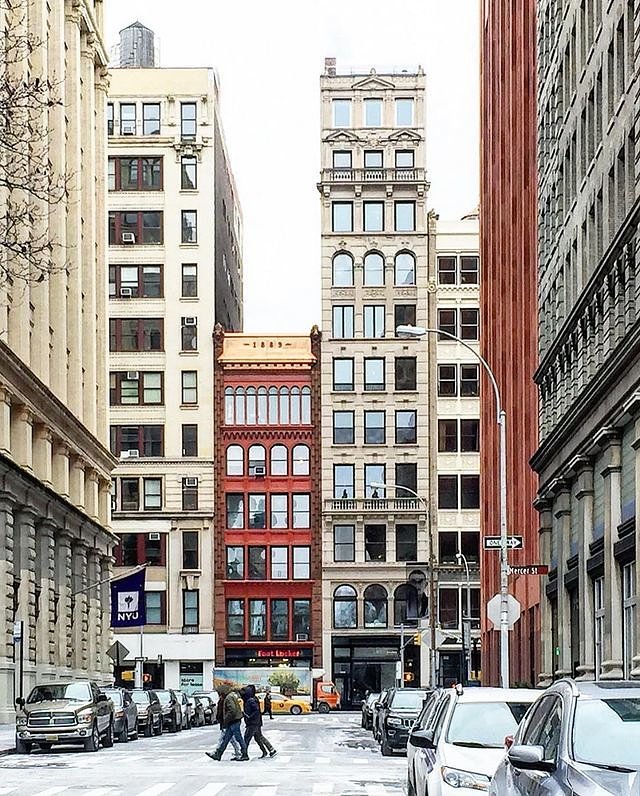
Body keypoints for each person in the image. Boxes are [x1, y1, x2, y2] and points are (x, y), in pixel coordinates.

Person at [207, 687, 248, 761]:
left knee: (238, 738)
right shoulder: (231, 696)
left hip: (233, 721)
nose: (219, 695)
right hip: (233, 721)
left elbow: (232, 710)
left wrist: (226, 719)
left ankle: (244, 754)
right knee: (226, 739)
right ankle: (218, 754)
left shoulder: (228, 698)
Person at [241, 685, 277, 758]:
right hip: (256, 722)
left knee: (247, 738)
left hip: (253, 723)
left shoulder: (250, 700)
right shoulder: (253, 698)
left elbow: (256, 710)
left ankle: (244, 755)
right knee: (258, 737)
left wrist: (248, 716)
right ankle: (269, 750)